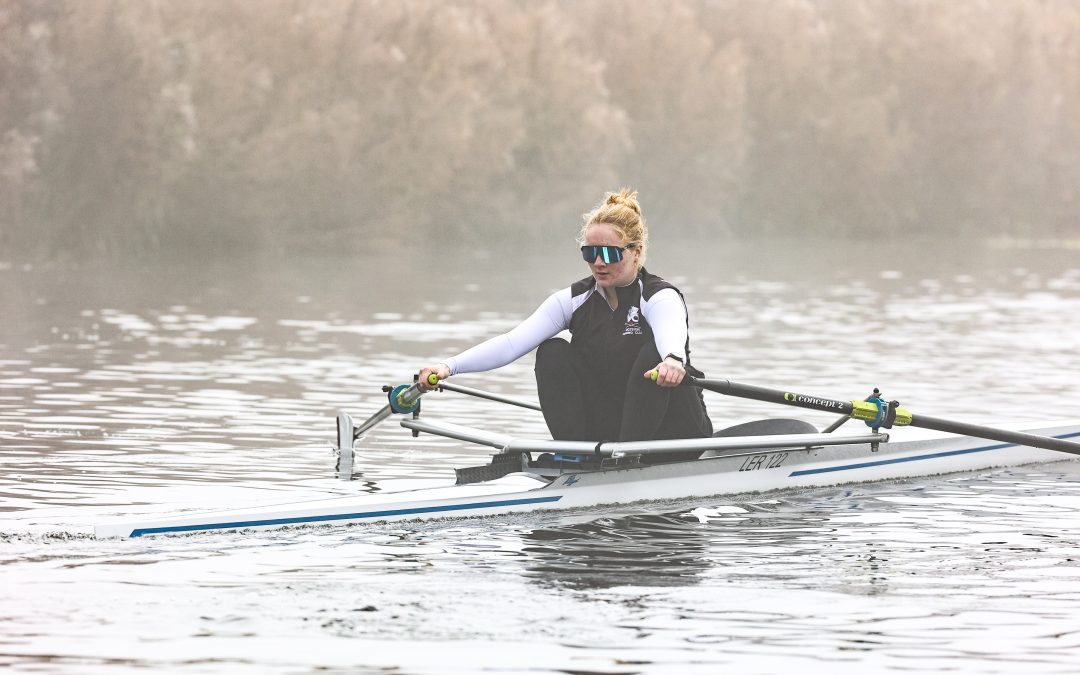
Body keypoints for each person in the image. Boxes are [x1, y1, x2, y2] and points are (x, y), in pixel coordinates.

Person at [418, 188, 712, 443]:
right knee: (552, 351)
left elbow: (671, 335)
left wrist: (673, 360)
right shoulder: (573, 300)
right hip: (612, 425)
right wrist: (448, 367)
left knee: (654, 354)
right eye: (590, 253)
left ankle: (627, 456)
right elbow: (511, 344)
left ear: (636, 252)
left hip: (675, 429)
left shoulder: (659, 297)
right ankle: (576, 454)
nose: (598, 263)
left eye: (610, 254)